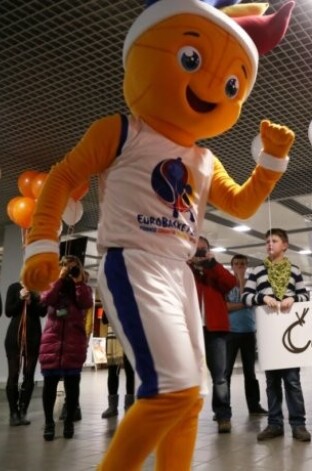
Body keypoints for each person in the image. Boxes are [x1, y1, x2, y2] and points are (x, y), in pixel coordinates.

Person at [20, 2, 295, 469]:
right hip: (132, 261)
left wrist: (270, 162)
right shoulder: (123, 131)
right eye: (192, 59)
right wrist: (42, 242)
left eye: (232, 85)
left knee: (190, 398)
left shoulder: (206, 161)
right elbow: (64, 176)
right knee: (171, 391)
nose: (213, 87)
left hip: (178, 271)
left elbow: (244, 203)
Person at [242, 228, 311, 442]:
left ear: (285, 245)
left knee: (292, 381)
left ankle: (298, 425)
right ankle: (274, 424)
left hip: (290, 333)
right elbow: (246, 296)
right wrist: (262, 298)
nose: (269, 244)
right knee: (271, 382)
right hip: (268, 333)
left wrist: (294, 299)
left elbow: (305, 295)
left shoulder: (295, 270)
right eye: (267, 241)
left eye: (274, 241)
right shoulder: (256, 271)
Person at [39, 255, 93, 441]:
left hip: (73, 341)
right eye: (65, 266)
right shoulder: (53, 282)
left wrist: (78, 282)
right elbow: (46, 299)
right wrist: (60, 278)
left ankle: (69, 421)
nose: (69, 270)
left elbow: (86, 303)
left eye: (73, 267)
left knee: (72, 388)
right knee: (49, 386)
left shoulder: (83, 288)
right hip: (52, 341)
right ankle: (49, 423)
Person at [189, 236, 237, 433]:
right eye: (196, 250)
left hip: (215, 328)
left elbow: (231, 283)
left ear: (209, 251)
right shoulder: (184, 269)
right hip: (190, 328)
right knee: (186, 375)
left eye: (203, 250)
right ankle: (183, 414)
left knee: (220, 376)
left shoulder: (214, 269)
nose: (200, 253)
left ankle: (223, 415)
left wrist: (212, 264)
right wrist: (189, 264)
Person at [226, 254, 267, 415]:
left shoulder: (252, 284)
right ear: (232, 266)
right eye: (237, 264)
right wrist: (243, 304)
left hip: (249, 333)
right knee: (226, 373)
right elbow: (226, 307)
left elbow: (246, 299)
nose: (240, 266)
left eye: (243, 264)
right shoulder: (226, 284)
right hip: (230, 333)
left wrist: (242, 280)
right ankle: (223, 409)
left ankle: (254, 406)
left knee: (250, 373)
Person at [5, 281, 47, 426]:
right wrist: (20, 299)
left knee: (29, 375)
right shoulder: (14, 287)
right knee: (13, 374)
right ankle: (13, 413)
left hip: (33, 338)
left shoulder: (39, 290)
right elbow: (8, 311)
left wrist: (30, 301)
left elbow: (43, 312)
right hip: (14, 339)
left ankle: (23, 411)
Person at [100, 311, 135, 419]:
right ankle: (112, 406)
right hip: (113, 339)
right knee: (112, 372)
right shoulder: (110, 298)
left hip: (129, 337)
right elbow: (104, 320)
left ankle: (129, 405)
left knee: (130, 372)